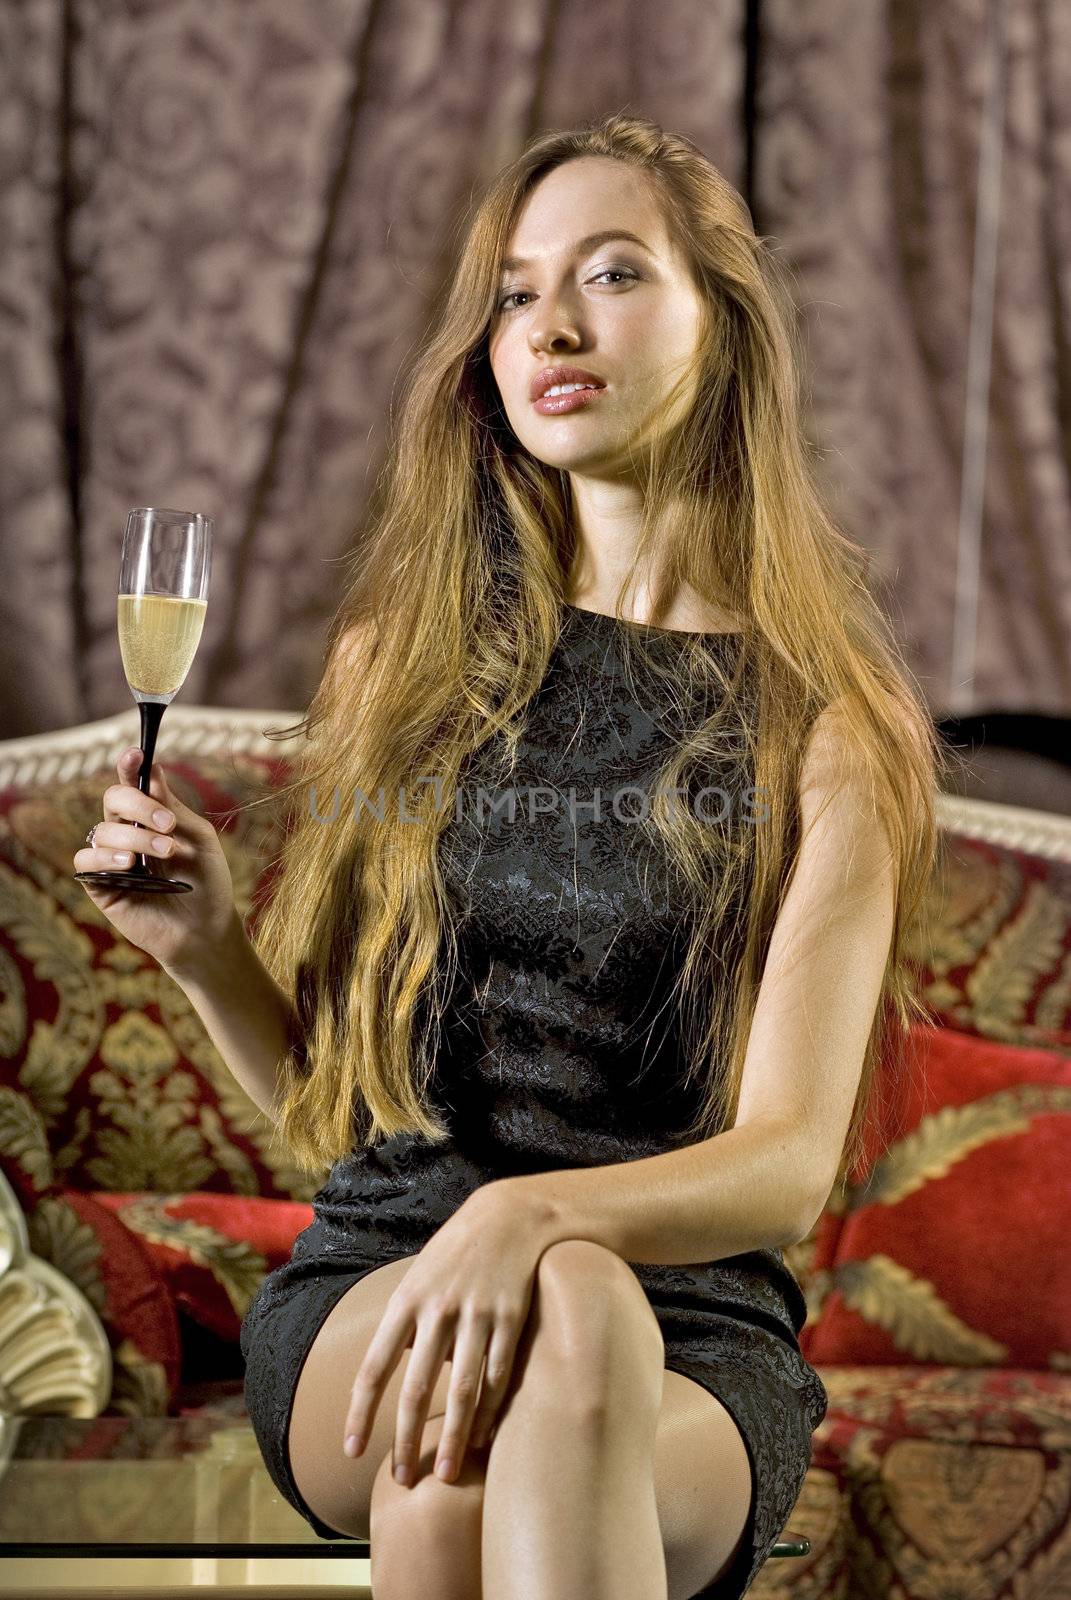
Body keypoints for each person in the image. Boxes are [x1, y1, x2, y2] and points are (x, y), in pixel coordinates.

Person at [75, 113, 945, 1600]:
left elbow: (790, 1164)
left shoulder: (832, 732)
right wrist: (209, 952)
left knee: (532, 1387)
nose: (549, 322)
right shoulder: (398, 671)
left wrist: (536, 1219)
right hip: (385, 1289)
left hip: (690, 1340)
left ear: (723, 325)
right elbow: (349, 1115)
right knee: (554, 1325)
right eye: (515, 290)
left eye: (610, 275)